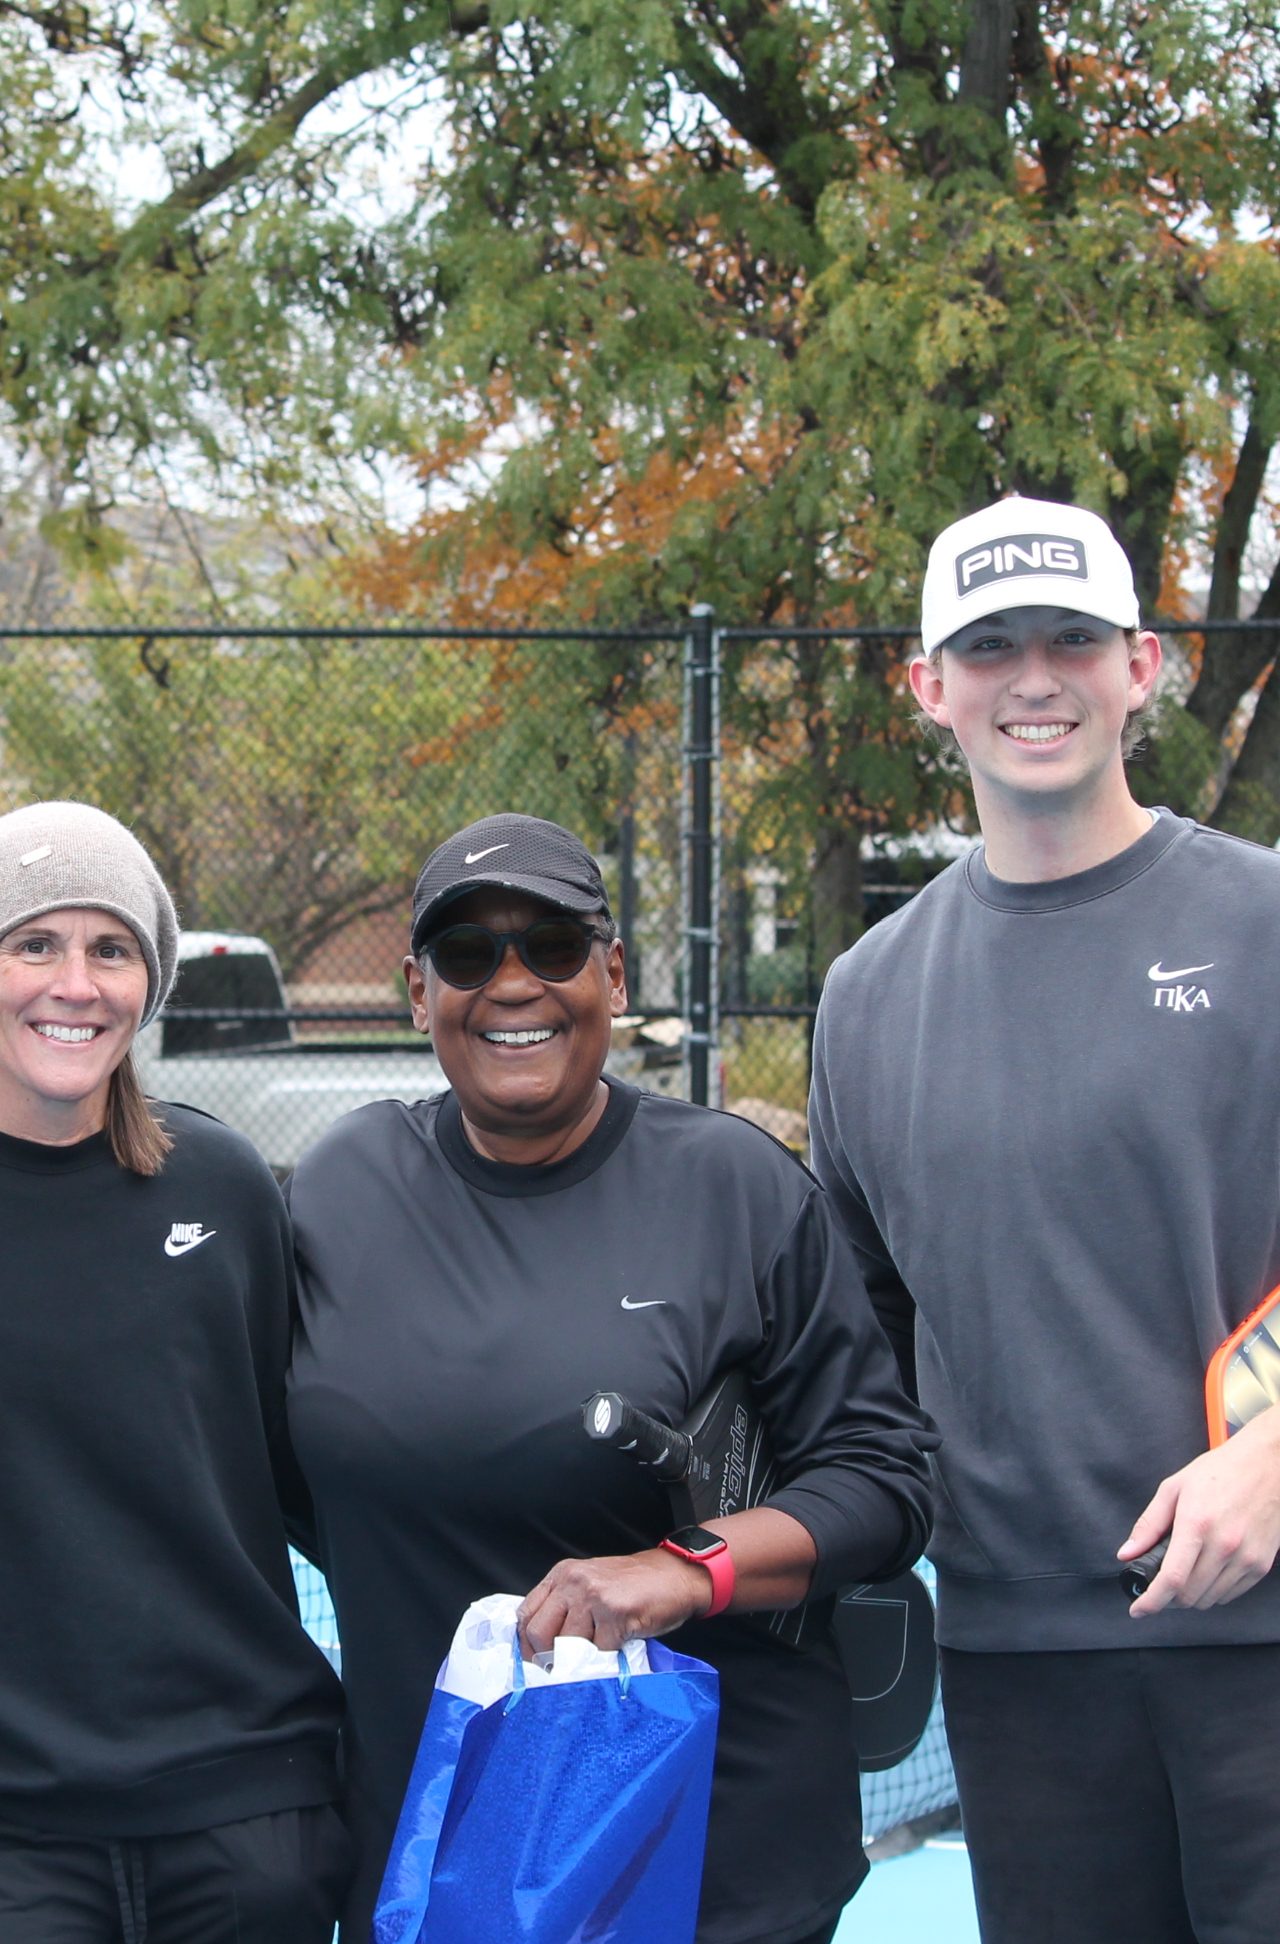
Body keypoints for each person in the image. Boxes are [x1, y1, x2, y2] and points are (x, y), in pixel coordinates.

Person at [805, 495, 1280, 1942]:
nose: (1035, 678)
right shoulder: (867, 998)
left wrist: (1279, 1456)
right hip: (1022, 1669)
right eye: (992, 644)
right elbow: (866, 1342)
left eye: (1073, 640)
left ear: (1143, 667)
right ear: (927, 685)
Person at [284, 815, 936, 1944]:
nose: (512, 983)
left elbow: (885, 1480)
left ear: (613, 973)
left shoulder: (732, 1185)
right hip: (437, 1846)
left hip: (700, 1848)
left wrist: (682, 1570)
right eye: (469, 953)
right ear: (416, 989)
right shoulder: (340, 1186)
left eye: (551, 944)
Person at [0, 801, 350, 1944]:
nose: (74, 983)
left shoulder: (225, 1188)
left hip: (246, 1820)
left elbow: (322, 1469)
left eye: (111, 948)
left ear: (149, 978)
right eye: (33, 943)